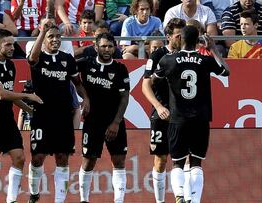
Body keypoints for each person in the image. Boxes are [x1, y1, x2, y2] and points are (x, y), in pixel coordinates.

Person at [153, 25, 230, 203]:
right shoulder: (205, 60)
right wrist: (212, 50)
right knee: (196, 163)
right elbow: (226, 71)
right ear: (198, 41)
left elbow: (153, 80)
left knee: (178, 162)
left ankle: (179, 196)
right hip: (200, 118)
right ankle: (194, 201)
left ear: (180, 39)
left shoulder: (168, 60)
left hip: (177, 118)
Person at [26, 18, 90, 203]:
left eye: (58, 37)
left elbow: (77, 83)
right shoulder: (38, 57)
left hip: (63, 115)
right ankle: (34, 193)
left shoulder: (67, 59)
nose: (55, 39)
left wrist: (85, 97)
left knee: (63, 157)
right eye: (51, 36)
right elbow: (31, 59)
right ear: (44, 39)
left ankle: (59, 200)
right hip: (42, 115)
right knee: (38, 157)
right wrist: (41, 32)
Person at [0, 29, 43, 203]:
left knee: (20, 158)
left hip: (7, 121)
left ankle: (11, 200)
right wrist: (28, 96)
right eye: (8, 44)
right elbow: (1, 94)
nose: (12, 47)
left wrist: (30, 111)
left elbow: (10, 94)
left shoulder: (11, 65)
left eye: (13, 43)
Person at [77, 32, 130, 203]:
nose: (107, 50)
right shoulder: (85, 64)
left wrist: (116, 122)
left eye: (110, 46)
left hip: (114, 121)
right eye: (104, 46)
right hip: (92, 121)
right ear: (96, 47)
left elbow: (125, 97)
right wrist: (84, 96)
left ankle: (119, 200)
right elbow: (73, 78)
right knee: (88, 161)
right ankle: (84, 199)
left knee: (119, 160)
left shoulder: (120, 68)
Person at [142, 17, 186, 203]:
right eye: (178, 36)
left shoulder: (187, 54)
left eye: (183, 35)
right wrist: (159, 107)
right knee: (161, 159)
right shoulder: (157, 55)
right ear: (169, 37)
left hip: (183, 115)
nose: (181, 39)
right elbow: (145, 86)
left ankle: (186, 198)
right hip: (162, 113)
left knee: (186, 159)